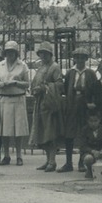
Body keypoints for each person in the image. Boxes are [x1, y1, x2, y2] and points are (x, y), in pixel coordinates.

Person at [61, 47, 99, 172]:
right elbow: (66, 89)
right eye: (77, 57)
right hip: (72, 104)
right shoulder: (70, 73)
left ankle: (82, 162)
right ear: (74, 59)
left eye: (82, 57)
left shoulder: (90, 73)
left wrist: (91, 103)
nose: (80, 60)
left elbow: (94, 90)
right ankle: (68, 162)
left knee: (84, 132)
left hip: (85, 104)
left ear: (86, 59)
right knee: (69, 132)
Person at [29, 41, 65, 172]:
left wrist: (45, 88)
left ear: (50, 54)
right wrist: (35, 89)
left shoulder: (54, 67)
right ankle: (48, 159)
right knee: (42, 131)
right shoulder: (41, 67)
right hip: (40, 104)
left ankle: (52, 161)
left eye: (45, 53)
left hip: (49, 104)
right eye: (41, 53)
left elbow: (60, 84)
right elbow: (34, 83)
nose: (43, 56)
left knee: (50, 132)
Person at [0, 40, 30, 166]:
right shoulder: (0, 65)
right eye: (8, 52)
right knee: (5, 129)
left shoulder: (23, 66)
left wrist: (16, 83)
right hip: (4, 98)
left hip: (18, 98)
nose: (10, 54)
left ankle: (19, 156)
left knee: (18, 129)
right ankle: (6, 155)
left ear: (16, 53)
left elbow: (27, 84)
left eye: (12, 52)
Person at [79, 104, 102, 180]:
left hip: (101, 153)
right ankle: (89, 170)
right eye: (91, 121)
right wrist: (92, 151)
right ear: (87, 121)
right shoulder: (84, 130)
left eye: (95, 121)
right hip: (89, 153)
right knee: (88, 158)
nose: (93, 123)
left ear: (99, 120)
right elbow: (83, 146)